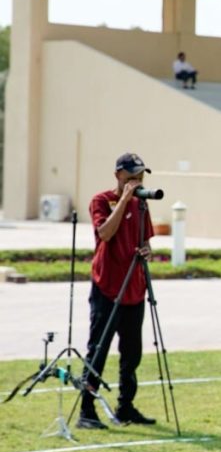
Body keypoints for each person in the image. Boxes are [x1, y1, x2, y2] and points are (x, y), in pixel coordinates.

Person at [77, 153, 156, 429]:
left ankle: (126, 407)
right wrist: (124, 200)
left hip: (134, 287)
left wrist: (147, 251)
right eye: (131, 176)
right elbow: (105, 233)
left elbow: (145, 240)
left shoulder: (143, 204)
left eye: (140, 176)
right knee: (98, 349)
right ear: (118, 176)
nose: (136, 181)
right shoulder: (101, 200)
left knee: (132, 353)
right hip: (108, 287)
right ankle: (87, 410)